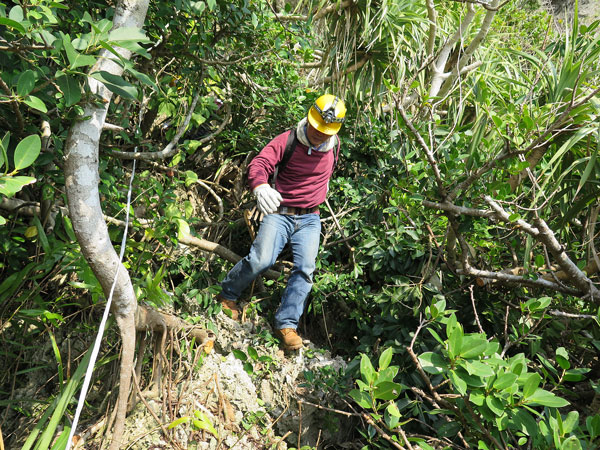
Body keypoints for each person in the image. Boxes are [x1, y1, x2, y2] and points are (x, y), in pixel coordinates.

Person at [216, 94, 347, 350]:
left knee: (305, 270)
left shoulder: (335, 144)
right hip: (280, 211)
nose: (320, 134)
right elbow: (260, 163)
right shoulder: (287, 140)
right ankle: (227, 294)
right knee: (261, 259)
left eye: (326, 130)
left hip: (311, 217)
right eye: (317, 127)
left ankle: (286, 324)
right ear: (310, 118)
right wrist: (261, 186)